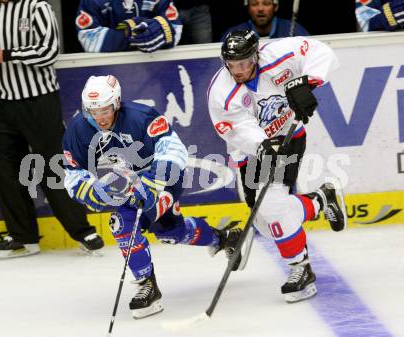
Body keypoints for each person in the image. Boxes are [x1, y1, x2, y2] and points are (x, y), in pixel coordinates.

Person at [62, 74, 245, 319]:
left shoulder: (142, 117)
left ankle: (147, 286)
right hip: (130, 183)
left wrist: (151, 184)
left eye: (104, 110)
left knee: (123, 222)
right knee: (171, 233)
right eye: (93, 111)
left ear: (116, 103)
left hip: (164, 180)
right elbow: (74, 175)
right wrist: (94, 192)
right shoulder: (78, 130)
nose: (99, 117)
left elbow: (175, 151)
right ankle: (223, 238)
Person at [207, 30, 348, 303]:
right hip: (249, 152)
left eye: (244, 63)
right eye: (232, 65)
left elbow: (321, 51)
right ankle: (322, 199)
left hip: (289, 138)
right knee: (262, 219)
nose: (238, 70)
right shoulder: (221, 92)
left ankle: (300, 268)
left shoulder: (279, 54)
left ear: (256, 55)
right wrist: (261, 143)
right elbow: (234, 129)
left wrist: (306, 82)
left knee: (271, 206)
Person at [0, 0, 104, 259]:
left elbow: (49, 52)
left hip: (40, 100)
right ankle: (23, 236)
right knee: (5, 171)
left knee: (53, 166)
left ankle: (82, 231)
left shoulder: (37, 8)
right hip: (2, 103)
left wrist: (7, 55)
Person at [75, 0, 182, 53]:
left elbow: (174, 27)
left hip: (153, 69)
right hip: (107, 71)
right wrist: (132, 34)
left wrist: (163, 31)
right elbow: (89, 39)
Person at [222, 0, 309, 41]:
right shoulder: (233, 34)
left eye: (266, 3)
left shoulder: (295, 30)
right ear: (248, 8)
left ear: (275, 7)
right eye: (254, 4)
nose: (260, 9)